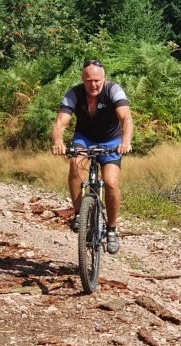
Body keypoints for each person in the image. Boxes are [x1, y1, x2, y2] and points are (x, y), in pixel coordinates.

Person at [51, 59, 133, 254]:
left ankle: (112, 229)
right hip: (85, 138)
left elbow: (126, 118)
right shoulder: (74, 93)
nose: (93, 84)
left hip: (111, 141)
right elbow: (60, 123)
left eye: (97, 80)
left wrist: (126, 142)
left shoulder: (113, 90)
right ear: (82, 79)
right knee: (75, 163)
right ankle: (79, 212)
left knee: (111, 182)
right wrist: (58, 142)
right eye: (89, 80)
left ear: (104, 78)